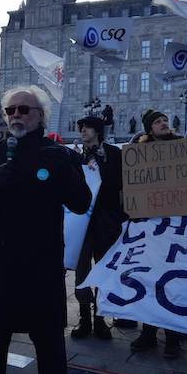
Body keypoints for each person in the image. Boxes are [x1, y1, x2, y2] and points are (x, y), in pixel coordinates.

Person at [0, 85, 91, 374]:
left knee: (50, 354)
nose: (16, 114)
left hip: (40, 270)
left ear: (40, 116)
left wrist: (65, 170)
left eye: (23, 109)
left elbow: (81, 202)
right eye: (10, 110)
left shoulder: (59, 154)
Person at [129, 109, 184, 358]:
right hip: (149, 226)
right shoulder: (139, 153)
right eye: (158, 122)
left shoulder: (184, 148)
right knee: (148, 280)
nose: (164, 123)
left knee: (174, 282)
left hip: (176, 226)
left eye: (165, 120)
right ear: (150, 129)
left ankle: (172, 337)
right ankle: (148, 331)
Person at [71, 115, 125, 341]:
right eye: (81, 127)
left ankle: (101, 318)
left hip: (106, 220)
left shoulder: (115, 154)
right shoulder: (75, 156)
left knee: (104, 269)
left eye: (87, 127)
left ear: (98, 131)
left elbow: (124, 185)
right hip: (82, 221)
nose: (83, 131)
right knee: (82, 269)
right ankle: (84, 318)